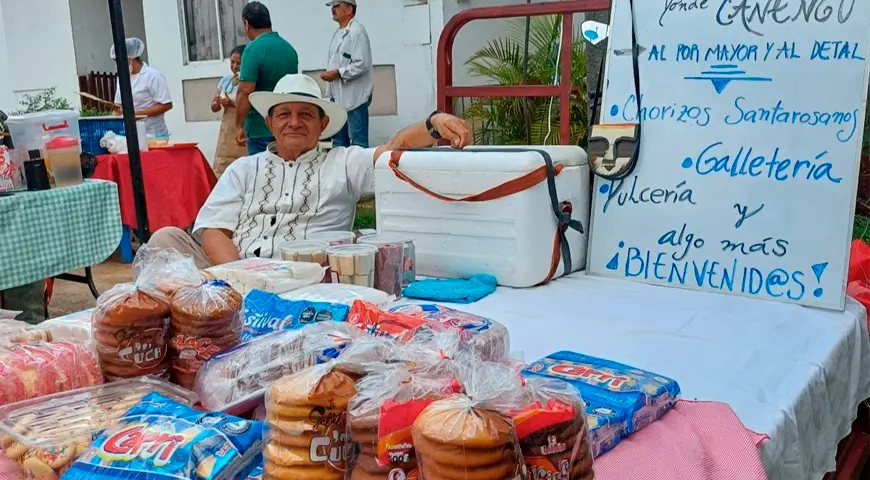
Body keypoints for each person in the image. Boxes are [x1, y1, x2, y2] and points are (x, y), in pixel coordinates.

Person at [146, 74, 470, 268]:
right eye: (284, 113)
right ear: (270, 123)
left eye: (306, 114)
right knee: (164, 240)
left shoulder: (343, 162)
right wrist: (239, 280)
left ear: (323, 124)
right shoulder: (243, 168)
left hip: (304, 282)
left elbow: (394, 148)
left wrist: (434, 124)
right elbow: (215, 230)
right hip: (233, 275)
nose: (294, 121)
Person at [235, 1, 299, 155]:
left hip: (260, 128)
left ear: (246, 23)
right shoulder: (289, 49)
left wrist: (238, 125)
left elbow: (245, 92)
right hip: (285, 126)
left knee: (263, 176)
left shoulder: (253, 49)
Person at [321, 0, 373, 148]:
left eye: (336, 6)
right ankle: (341, 171)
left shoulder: (356, 32)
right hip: (338, 98)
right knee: (339, 143)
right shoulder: (339, 33)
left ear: (349, 9)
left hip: (355, 98)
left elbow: (361, 64)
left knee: (358, 144)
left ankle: (360, 171)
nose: (333, 9)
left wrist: (337, 73)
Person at [111, 37, 173, 138]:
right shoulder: (122, 78)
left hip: (154, 134)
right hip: (129, 133)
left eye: (121, 61)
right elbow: (118, 105)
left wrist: (138, 114)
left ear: (131, 59)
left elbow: (166, 105)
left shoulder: (153, 76)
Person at [211, 45, 249, 175]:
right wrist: (217, 102)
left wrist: (232, 104)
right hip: (227, 128)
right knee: (222, 165)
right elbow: (214, 107)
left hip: (242, 125)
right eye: (232, 62)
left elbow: (249, 104)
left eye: (239, 63)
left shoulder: (248, 81)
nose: (235, 66)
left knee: (242, 165)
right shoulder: (226, 80)